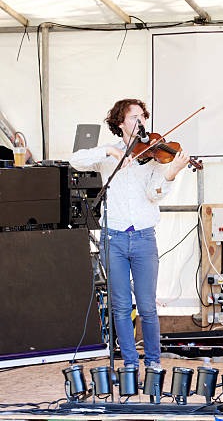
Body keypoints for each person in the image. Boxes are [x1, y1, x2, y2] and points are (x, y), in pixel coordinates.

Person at [70, 99, 190, 369]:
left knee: (147, 306)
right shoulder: (108, 153)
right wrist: (112, 153)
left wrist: (171, 172)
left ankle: (154, 363)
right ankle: (130, 364)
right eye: (134, 117)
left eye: (142, 116)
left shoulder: (151, 156)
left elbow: (153, 194)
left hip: (144, 238)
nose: (141, 121)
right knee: (121, 307)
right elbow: (75, 160)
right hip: (113, 238)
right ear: (120, 122)